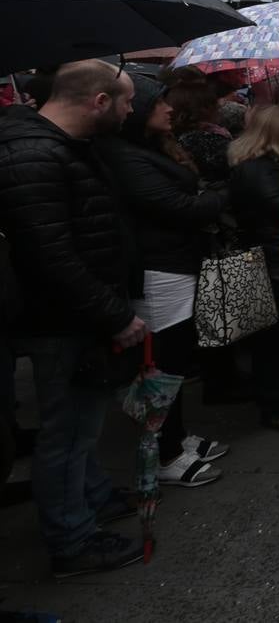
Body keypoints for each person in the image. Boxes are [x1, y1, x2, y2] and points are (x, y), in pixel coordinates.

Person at [0, 60, 148, 577]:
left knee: (82, 427)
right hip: (60, 322)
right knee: (66, 434)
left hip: (76, 317)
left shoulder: (60, 148)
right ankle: (73, 540)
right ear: (99, 102)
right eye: (126, 101)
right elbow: (51, 254)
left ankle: (94, 498)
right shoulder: (34, 154)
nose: (134, 109)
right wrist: (113, 315)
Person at [96, 74, 231, 487]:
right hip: (157, 271)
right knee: (162, 363)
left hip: (175, 264)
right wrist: (225, 193)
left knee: (173, 357)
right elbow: (177, 207)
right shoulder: (125, 157)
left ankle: (175, 436)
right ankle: (166, 452)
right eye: (158, 103)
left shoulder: (149, 149)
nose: (169, 109)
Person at [227, 104, 279, 432]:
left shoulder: (264, 165)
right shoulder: (260, 171)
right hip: (274, 266)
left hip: (275, 263)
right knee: (276, 342)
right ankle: (275, 407)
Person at [167, 71, 232, 184]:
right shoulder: (209, 141)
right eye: (214, 102)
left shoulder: (170, 136)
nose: (219, 106)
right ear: (204, 108)